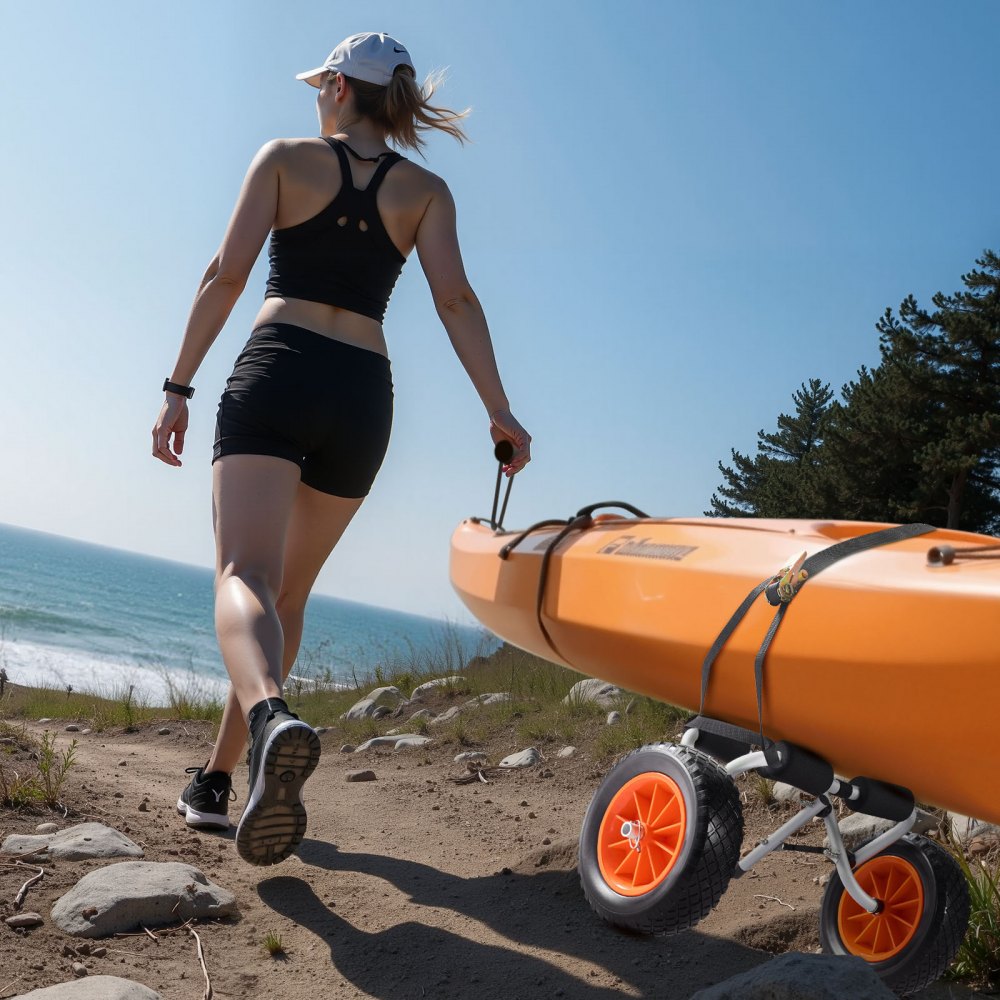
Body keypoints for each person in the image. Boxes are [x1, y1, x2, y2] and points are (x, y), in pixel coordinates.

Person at [151, 31, 531, 866]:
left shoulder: (285, 158)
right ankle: (219, 782)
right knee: (283, 597)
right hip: (363, 393)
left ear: (333, 87)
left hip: (280, 369)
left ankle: (267, 721)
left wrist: (178, 386)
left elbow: (225, 273)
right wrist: (499, 412)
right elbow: (457, 301)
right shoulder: (426, 190)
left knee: (243, 578)